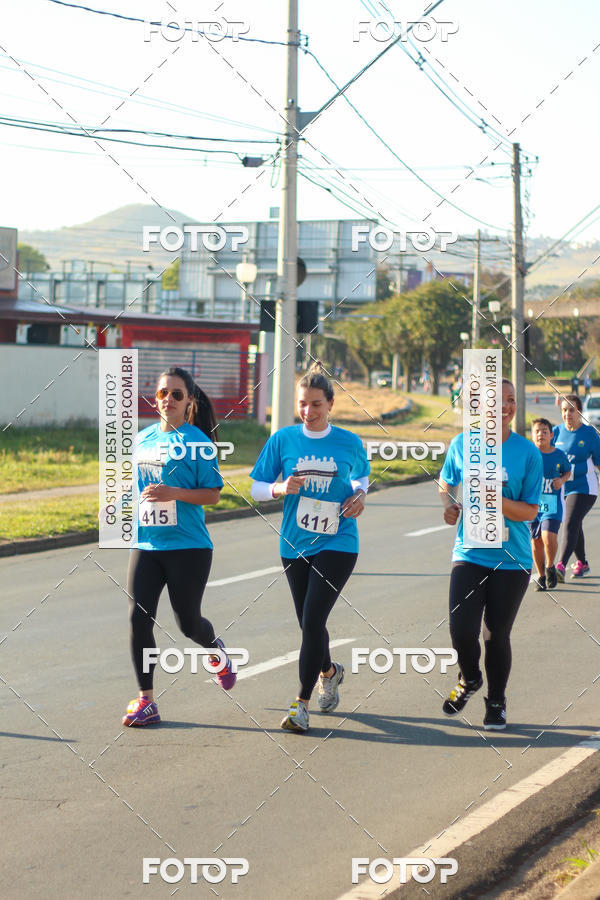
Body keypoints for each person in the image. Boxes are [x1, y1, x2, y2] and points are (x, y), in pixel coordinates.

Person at [250, 361, 370, 733]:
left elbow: (361, 478)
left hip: (339, 540)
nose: (308, 411)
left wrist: (360, 495)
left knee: (314, 619)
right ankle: (330, 671)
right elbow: (256, 487)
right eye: (303, 404)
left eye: (316, 404)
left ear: (331, 404)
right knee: (308, 623)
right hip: (294, 542)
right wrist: (280, 488)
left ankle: (300, 705)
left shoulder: (349, 442)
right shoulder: (283, 439)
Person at [122, 366, 237, 727]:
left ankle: (215, 650)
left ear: (189, 401)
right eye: (161, 393)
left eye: (176, 394)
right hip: (148, 543)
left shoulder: (198, 443)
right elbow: (132, 486)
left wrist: (175, 494)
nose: (167, 400)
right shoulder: (141, 440)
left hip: (188, 547)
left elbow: (213, 494)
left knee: (188, 623)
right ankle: (147, 701)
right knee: (138, 618)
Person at [438, 379, 542, 730]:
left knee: (496, 634)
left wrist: (497, 500)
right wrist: (450, 504)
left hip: (512, 560)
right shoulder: (461, 444)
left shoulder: (527, 453)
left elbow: (529, 512)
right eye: (499, 401)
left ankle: (496, 702)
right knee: (460, 629)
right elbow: (446, 481)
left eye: (512, 401)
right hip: (469, 552)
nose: (507, 407)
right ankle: (469, 678)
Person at [553, 394, 600, 581]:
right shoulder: (555, 432)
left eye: (572, 410)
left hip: (585, 488)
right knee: (574, 523)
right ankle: (582, 563)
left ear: (579, 412)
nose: (568, 414)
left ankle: (560, 566)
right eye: (564, 410)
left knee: (571, 521)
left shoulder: (589, 434)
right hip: (562, 489)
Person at [529, 418, 571, 591]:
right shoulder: (529, 454)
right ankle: (541, 575)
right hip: (532, 505)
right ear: (532, 435)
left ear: (551, 435)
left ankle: (551, 565)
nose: (541, 434)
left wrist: (561, 480)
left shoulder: (559, 454)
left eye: (544, 431)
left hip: (551, 503)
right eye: (537, 431)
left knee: (548, 537)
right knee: (536, 542)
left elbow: (567, 471)